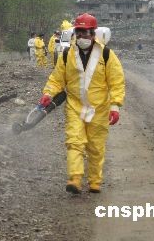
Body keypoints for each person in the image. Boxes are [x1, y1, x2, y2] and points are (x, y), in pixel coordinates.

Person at [38, 13, 125, 194]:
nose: (82, 37)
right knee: (74, 142)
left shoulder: (107, 55)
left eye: (86, 33)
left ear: (94, 34)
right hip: (75, 106)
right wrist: (48, 93)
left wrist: (115, 106)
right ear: (75, 33)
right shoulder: (67, 55)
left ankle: (94, 181)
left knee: (95, 146)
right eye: (79, 32)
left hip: (99, 108)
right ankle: (75, 178)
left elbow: (117, 82)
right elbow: (56, 79)